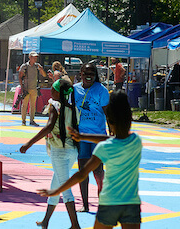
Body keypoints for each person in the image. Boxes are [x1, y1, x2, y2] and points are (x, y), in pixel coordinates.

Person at [38, 90, 141, 229]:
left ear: (109, 121)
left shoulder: (104, 148)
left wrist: (56, 191)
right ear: (130, 118)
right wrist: (84, 137)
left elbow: (81, 175)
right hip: (131, 203)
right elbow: (116, 139)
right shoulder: (135, 141)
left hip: (109, 203)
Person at [19, 78, 81, 229]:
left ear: (58, 92)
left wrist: (29, 143)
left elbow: (49, 126)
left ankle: (75, 225)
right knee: (56, 186)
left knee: (65, 190)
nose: (51, 92)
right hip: (72, 151)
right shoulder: (73, 108)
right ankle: (46, 221)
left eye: (53, 89)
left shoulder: (54, 105)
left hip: (59, 151)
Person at [73, 62, 110, 212]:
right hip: (81, 137)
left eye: (92, 74)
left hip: (98, 137)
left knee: (98, 171)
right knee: (83, 171)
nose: (89, 76)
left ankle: (101, 192)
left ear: (95, 76)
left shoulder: (102, 91)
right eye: (86, 73)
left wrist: (113, 131)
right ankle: (85, 204)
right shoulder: (74, 90)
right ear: (80, 74)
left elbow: (107, 113)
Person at [19, 52, 45, 126]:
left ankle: (32, 120)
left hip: (34, 88)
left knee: (33, 105)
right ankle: (23, 121)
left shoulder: (37, 66)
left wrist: (41, 69)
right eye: (34, 57)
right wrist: (22, 87)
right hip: (26, 88)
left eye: (36, 57)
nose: (35, 59)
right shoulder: (24, 66)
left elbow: (44, 75)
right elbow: (20, 77)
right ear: (30, 57)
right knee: (24, 105)